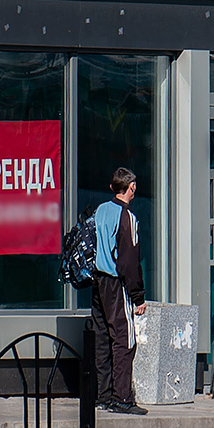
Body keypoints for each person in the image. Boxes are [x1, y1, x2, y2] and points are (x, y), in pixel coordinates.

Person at [92, 167, 147, 415]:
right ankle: (122, 397)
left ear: (113, 188)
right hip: (116, 284)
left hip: (98, 283)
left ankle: (102, 396)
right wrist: (138, 296)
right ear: (131, 188)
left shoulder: (100, 210)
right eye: (135, 186)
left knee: (102, 338)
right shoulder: (128, 218)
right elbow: (129, 261)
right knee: (124, 341)